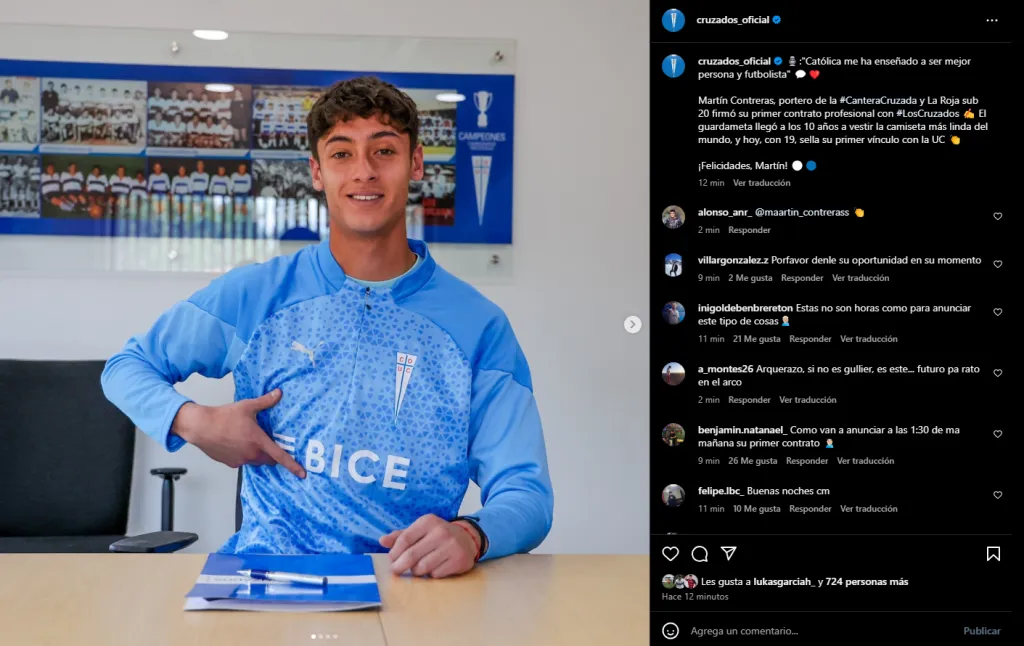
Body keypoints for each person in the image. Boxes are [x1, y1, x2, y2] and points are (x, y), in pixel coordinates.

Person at [100, 76, 553, 578]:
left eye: (384, 150)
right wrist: (195, 421)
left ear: (416, 164)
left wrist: (472, 534)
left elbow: (526, 493)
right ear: (316, 171)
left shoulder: (478, 326)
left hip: (411, 584)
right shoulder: (257, 295)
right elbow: (126, 367)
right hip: (267, 577)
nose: (364, 171)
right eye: (341, 154)